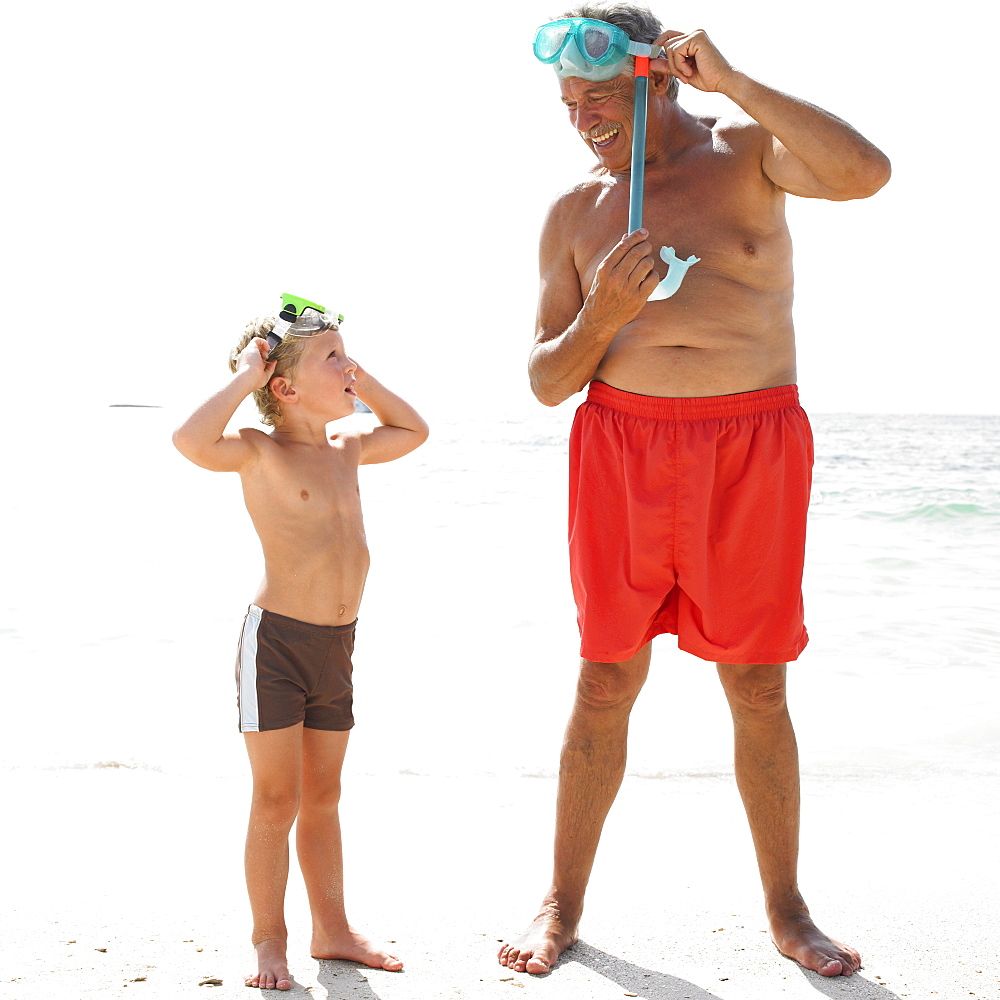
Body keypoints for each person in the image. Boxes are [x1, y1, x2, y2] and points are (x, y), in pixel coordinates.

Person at [499, 2, 890, 980]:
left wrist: (738, 81)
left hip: (749, 447)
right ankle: (561, 901)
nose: (577, 111)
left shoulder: (749, 150)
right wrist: (602, 316)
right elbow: (546, 381)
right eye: (565, 95)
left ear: (655, 73)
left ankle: (787, 907)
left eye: (596, 91)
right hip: (622, 451)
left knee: (757, 683)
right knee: (603, 680)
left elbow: (866, 175)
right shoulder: (575, 209)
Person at [173, 306, 428, 990]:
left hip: (336, 647)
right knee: (276, 799)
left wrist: (360, 377)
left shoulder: (348, 446)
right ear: (283, 387)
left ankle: (333, 929)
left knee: (323, 794)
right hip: (277, 646)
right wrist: (244, 376)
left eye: (349, 355)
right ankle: (269, 941)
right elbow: (190, 440)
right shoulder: (259, 450)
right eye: (333, 359)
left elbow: (414, 430)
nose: (348, 367)